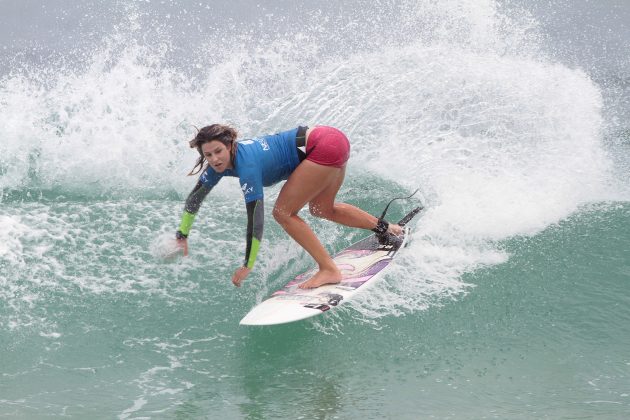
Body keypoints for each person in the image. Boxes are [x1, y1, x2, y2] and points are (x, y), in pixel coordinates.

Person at [175, 124, 402, 289]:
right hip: (331, 139)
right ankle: (386, 228)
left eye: (219, 152)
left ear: (230, 146)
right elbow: (194, 199)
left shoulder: (247, 167)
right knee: (322, 209)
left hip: (322, 146)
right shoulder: (217, 167)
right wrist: (182, 234)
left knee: (283, 213)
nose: (215, 159)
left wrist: (248, 264)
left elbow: (256, 221)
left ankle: (329, 270)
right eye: (208, 155)